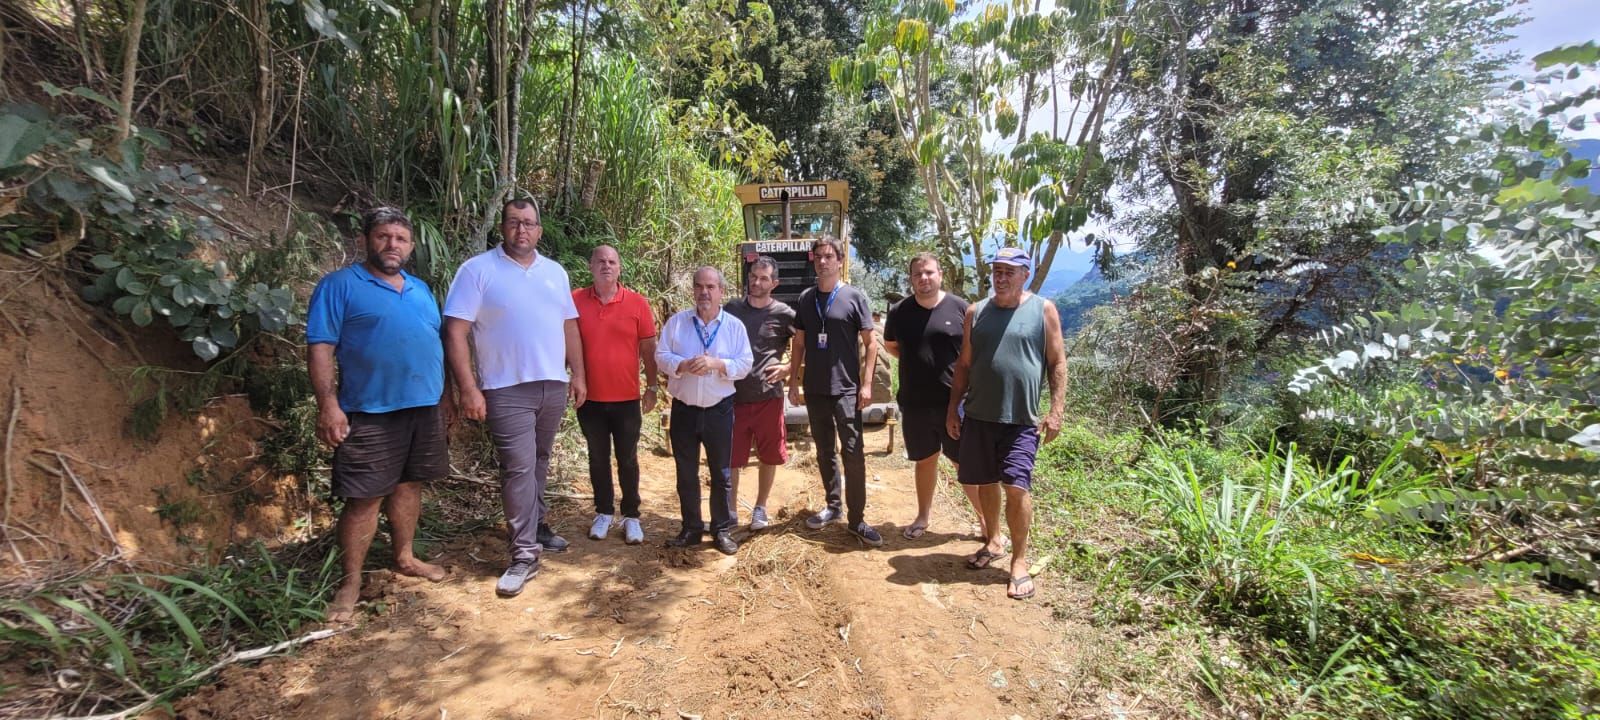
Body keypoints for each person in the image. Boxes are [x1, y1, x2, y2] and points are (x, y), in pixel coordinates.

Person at [306, 206, 448, 623]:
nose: (392, 245)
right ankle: (350, 582)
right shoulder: (339, 286)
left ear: (411, 246)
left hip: (422, 408)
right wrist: (328, 405)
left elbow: (433, 344)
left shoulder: (420, 289)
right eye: (384, 237)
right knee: (364, 497)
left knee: (409, 486)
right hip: (369, 410)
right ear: (366, 240)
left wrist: (447, 398)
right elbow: (320, 346)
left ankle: (405, 556)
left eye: (401, 239)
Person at [443, 198, 587, 598]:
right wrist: (468, 387)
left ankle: (537, 524)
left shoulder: (554, 273)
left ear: (539, 230)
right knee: (519, 467)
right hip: (505, 388)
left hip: (552, 384)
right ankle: (524, 553)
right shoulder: (477, 271)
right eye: (513, 223)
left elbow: (569, 326)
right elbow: (455, 332)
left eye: (529, 223)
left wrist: (579, 374)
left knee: (539, 460)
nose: (521, 230)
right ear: (502, 228)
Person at [946, 247, 1068, 601]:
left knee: (1016, 486)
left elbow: (1057, 362)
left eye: (1008, 272)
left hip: (1021, 419)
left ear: (1024, 275)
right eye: (996, 271)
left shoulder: (1042, 310)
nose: (1000, 278)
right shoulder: (976, 312)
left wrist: (1056, 410)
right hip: (980, 415)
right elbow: (965, 365)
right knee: (985, 482)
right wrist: (953, 408)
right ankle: (993, 541)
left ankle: (1019, 560)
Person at [788, 236, 883, 546]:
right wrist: (792, 382)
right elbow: (799, 342)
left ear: (840, 261)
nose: (823, 261)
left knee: (853, 453)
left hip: (846, 391)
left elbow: (871, 344)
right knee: (825, 450)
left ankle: (857, 520)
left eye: (829, 256)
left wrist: (867, 384)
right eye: (818, 257)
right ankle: (833, 506)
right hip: (815, 389)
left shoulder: (854, 297)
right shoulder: (805, 298)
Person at [656, 267, 753, 555]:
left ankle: (721, 529)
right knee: (686, 472)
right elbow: (660, 356)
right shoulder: (677, 323)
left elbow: (745, 363)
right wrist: (683, 365)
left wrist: (718, 365)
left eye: (711, 287)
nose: (704, 292)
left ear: (722, 291)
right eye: (699, 287)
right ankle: (691, 528)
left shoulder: (734, 326)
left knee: (721, 472)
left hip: (719, 410)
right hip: (684, 409)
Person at [883, 253, 976, 540]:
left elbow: (973, 353)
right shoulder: (899, 311)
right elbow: (891, 346)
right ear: (911, 279)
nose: (923, 278)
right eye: (917, 274)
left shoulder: (962, 309)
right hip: (915, 402)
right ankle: (923, 517)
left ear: (940, 275)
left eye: (929, 273)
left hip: (955, 404)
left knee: (965, 464)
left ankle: (988, 525)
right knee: (925, 460)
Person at [572, 245, 659, 545]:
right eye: (600, 261)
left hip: (626, 399)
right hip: (589, 399)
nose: (606, 266)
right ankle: (604, 512)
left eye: (612, 262)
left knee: (628, 458)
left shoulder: (636, 303)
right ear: (591, 267)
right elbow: (564, 343)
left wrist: (652, 386)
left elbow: (649, 348)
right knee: (597, 458)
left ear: (620, 268)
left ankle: (632, 515)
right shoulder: (574, 301)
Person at [724, 256, 796, 530]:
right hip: (733, 396)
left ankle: (760, 508)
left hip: (768, 397)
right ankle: (730, 511)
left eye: (764, 278)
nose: (756, 282)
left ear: (774, 283)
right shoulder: (731, 309)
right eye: (753, 276)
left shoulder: (784, 313)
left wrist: (789, 368)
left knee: (769, 455)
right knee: (731, 457)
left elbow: (806, 343)